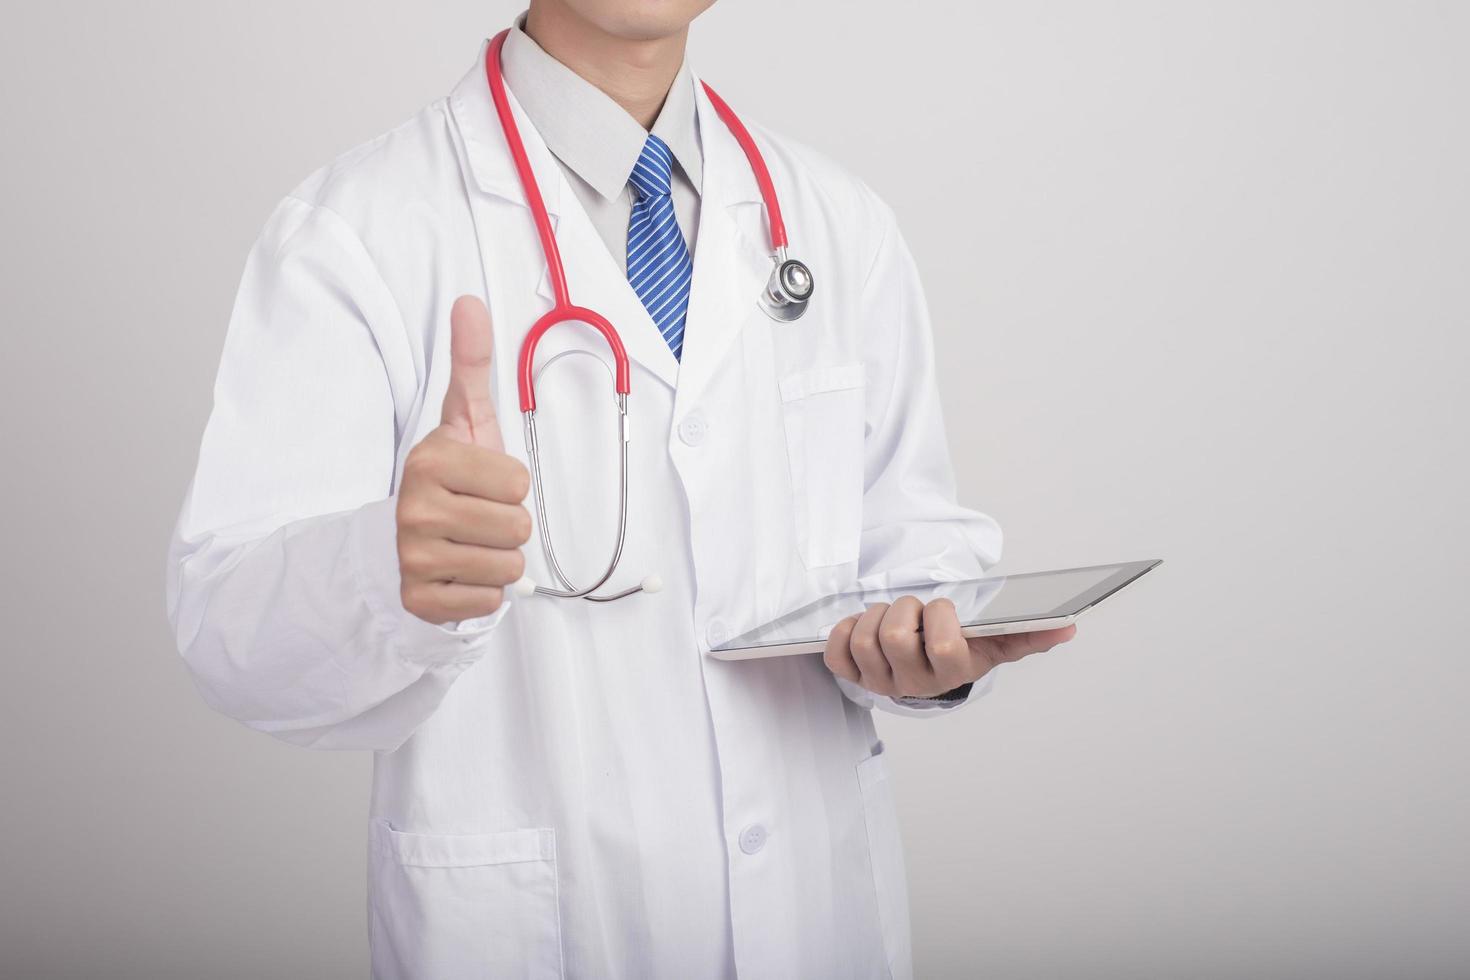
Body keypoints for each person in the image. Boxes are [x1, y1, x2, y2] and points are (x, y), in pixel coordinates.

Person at [166, 2, 1077, 976]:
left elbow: (909, 527)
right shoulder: (358, 230)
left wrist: (925, 631)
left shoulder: (835, 220)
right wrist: (383, 564)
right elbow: (228, 627)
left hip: (821, 923)